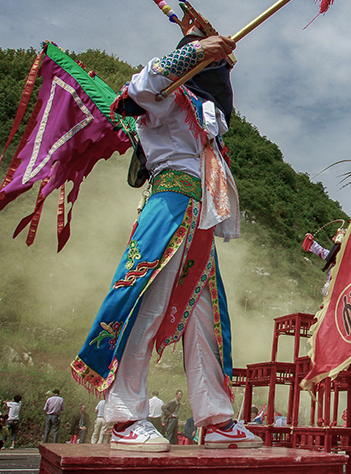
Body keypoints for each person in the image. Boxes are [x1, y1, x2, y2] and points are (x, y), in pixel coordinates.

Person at [69, 32, 261, 451]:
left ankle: (215, 419)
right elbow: (140, 86)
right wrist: (196, 51)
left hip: (201, 215)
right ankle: (124, 414)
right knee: (146, 301)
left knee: (206, 317)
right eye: (215, 64)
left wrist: (217, 61)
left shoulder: (206, 114)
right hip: (170, 204)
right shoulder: (166, 95)